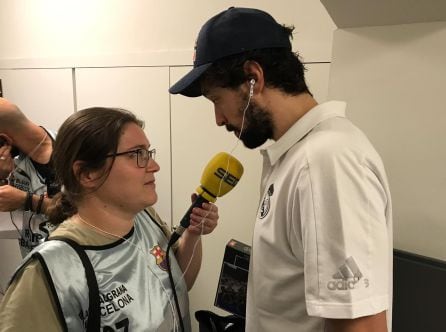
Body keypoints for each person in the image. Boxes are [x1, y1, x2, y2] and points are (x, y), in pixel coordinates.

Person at [169, 7, 393, 332]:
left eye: (216, 99)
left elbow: (362, 325)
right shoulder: (298, 157)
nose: (218, 118)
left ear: (253, 78)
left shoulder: (325, 162)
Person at [0, 107, 219, 331]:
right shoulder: (48, 272)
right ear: (87, 174)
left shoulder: (144, 217)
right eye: (136, 154)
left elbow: (178, 283)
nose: (154, 166)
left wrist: (193, 234)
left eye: (148, 153)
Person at [0, 97, 59, 257]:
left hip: (72, 269)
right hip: (35, 263)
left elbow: (91, 217)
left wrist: (27, 200)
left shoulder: (74, 154)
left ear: (3, 139)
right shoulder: (12, 160)